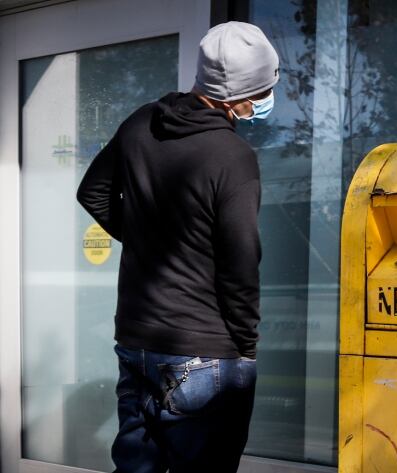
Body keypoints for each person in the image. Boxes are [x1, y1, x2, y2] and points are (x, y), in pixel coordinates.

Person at [76, 21, 278, 473]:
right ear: (241, 97)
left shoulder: (141, 123)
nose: (265, 100)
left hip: (136, 339)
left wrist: (152, 239)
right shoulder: (233, 157)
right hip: (205, 351)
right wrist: (245, 347)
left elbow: (92, 192)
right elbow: (241, 263)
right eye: (264, 90)